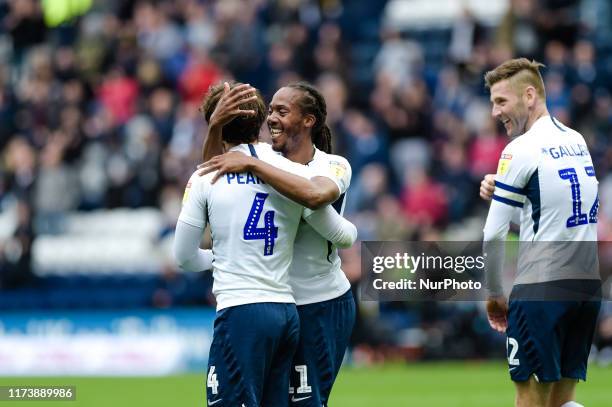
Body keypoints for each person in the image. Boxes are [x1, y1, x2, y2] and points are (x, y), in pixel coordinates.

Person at [173, 82, 357, 407]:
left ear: (309, 120)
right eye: (269, 109)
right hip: (283, 303)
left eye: (282, 111)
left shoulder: (330, 165)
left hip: (320, 300)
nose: (272, 117)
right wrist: (218, 128)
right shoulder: (275, 163)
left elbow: (322, 206)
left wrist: (251, 164)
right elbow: (217, 170)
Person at [482, 58, 601, 407]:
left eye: (501, 101)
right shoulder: (576, 140)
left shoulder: (520, 149)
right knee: (562, 401)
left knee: (530, 401)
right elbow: (553, 212)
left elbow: (493, 233)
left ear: (529, 95)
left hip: (542, 287)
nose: (494, 112)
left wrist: (493, 293)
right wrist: (507, 191)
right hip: (585, 286)